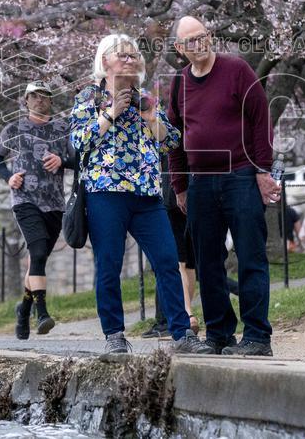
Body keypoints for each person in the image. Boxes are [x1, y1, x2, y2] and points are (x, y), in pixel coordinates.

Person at [71, 33, 213, 355]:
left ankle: (182, 335)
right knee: (109, 264)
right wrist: (110, 114)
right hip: (106, 193)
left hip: (146, 195)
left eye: (134, 55)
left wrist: (151, 118)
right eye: (122, 54)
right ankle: (115, 336)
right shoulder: (89, 97)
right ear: (104, 61)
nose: (130, 59)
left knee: (166, 260)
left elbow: (171, 141)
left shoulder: (147, 98)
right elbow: (78, 141)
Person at [168, 16, 277, 357]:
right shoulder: (179, 83)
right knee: (207, 261)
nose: (198, 44)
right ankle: (219, 333)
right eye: (190, 41)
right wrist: (180, 185)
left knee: (250, 256)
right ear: (179, 49)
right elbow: (174, 136)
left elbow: (261, 119)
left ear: (210, 37)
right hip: (200, 183)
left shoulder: (237, 70)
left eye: (202, 37)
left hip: (241, 175)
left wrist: (263, 170)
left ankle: (257, 336)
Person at [0, 81, 74, 340]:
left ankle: (23, 310)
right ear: (25, 100)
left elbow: (78, 158)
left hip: (55, 202)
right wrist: (8, 177)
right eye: (33, 96)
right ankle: (42, 313)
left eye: (44, 96)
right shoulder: (13, 128)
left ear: (51, 101)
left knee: (39, 260)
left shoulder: (63, 128)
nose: (39, 100)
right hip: (25, 200)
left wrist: (62, 161)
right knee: (36, 251)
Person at [144, 155, 199, 338]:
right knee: (190, 261)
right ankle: (186, 312)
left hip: (173, 189)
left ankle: (187, 314)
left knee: (178, 261)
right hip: (195, 183)